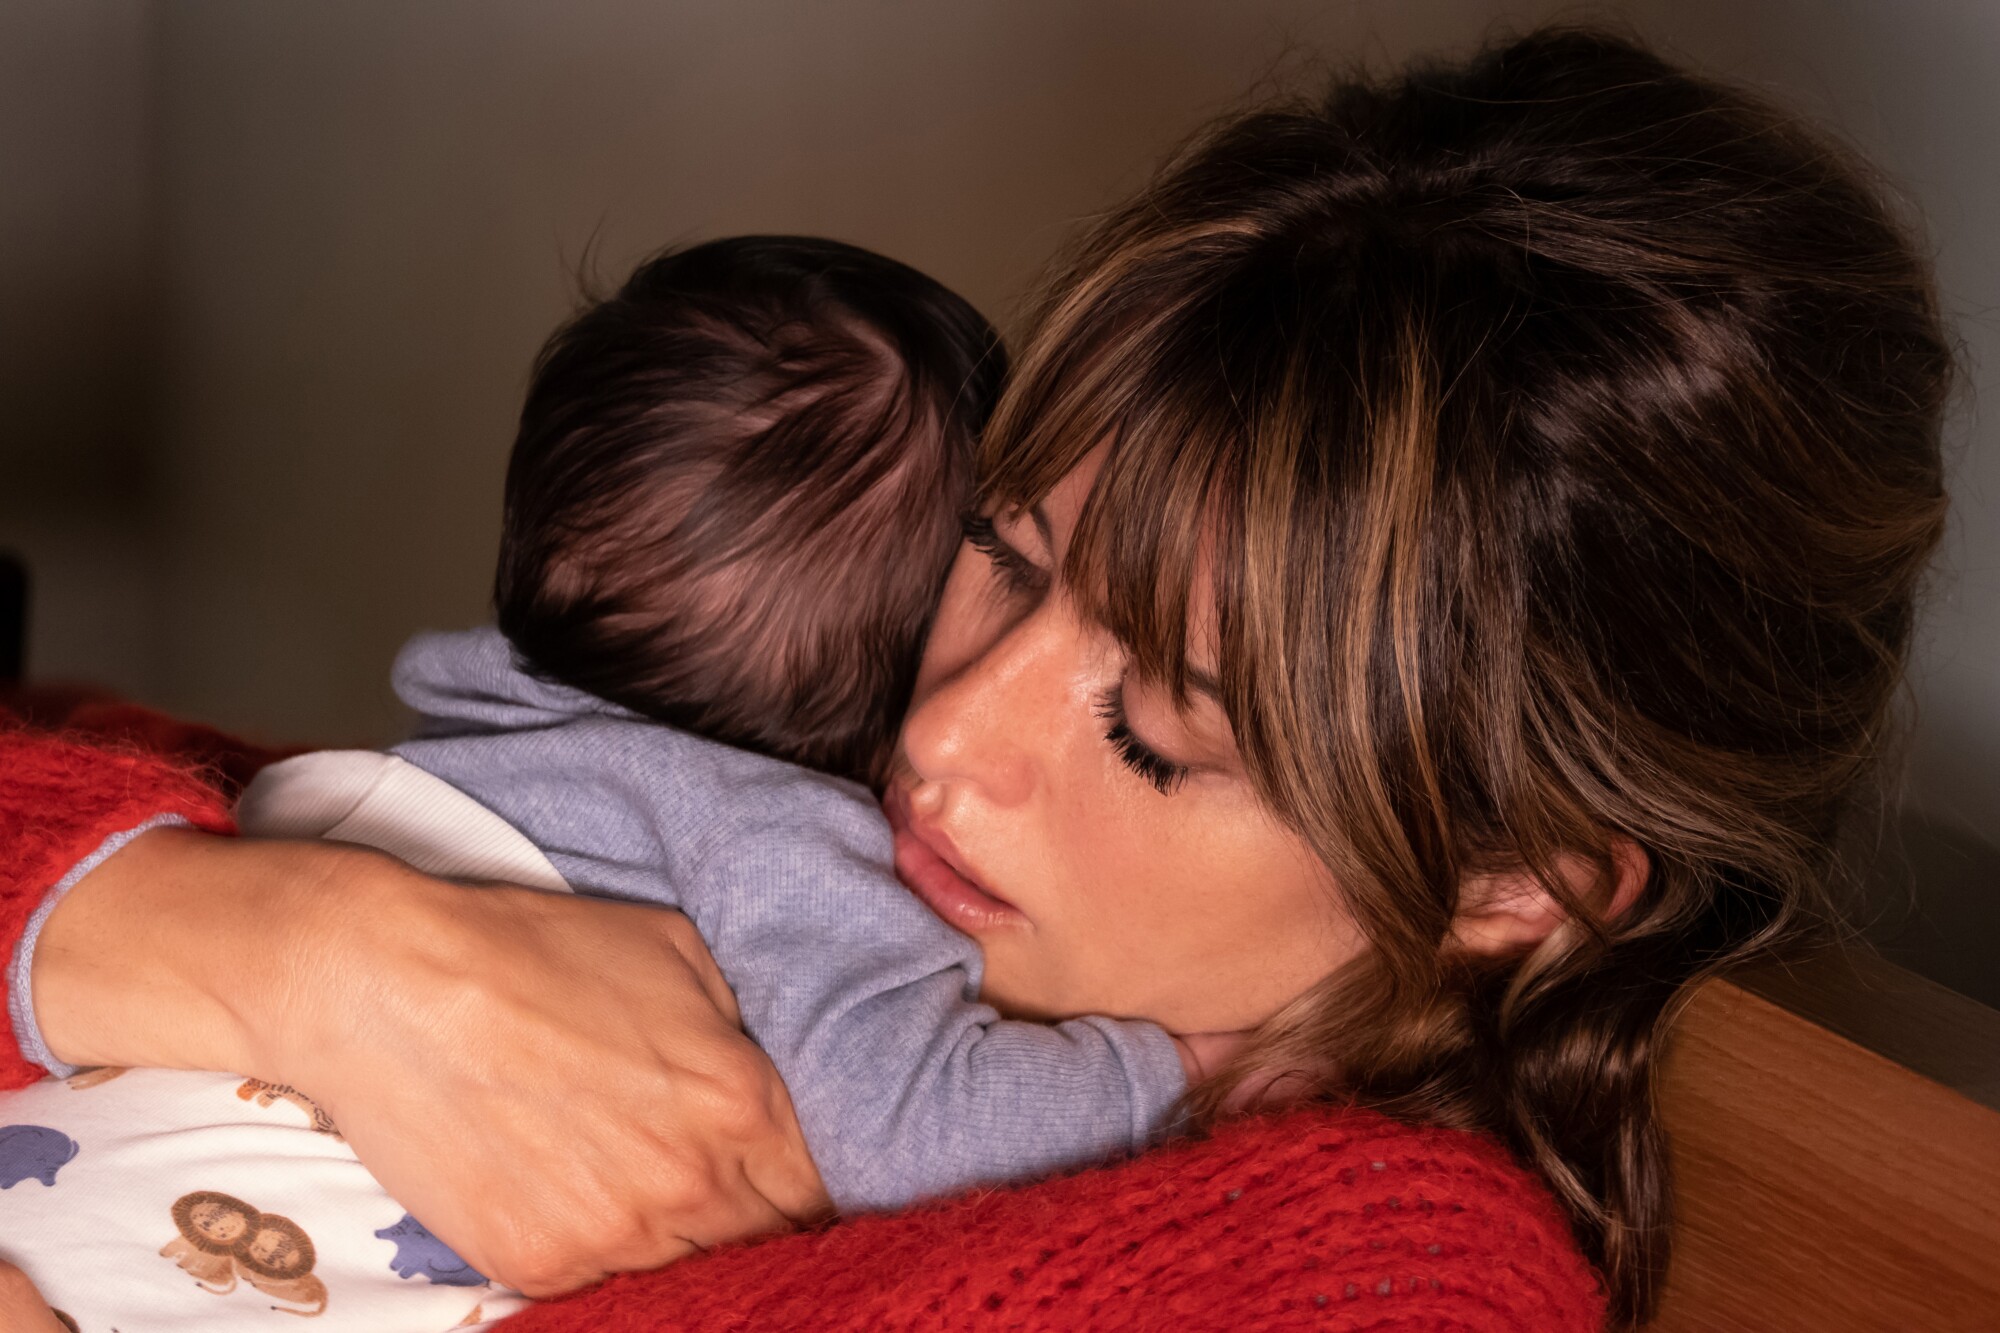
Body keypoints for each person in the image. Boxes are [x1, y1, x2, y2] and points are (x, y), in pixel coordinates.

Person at [0, 27, 1950, 1330]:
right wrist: (289, 943)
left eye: (1157, 731)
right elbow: (101, 761)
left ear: (1511, 879)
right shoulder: (849, 855)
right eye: (994, 563)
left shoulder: (1368, 1278)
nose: (941, 738)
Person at [0, 232, 1225, 1331]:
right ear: (897, 668)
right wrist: (1176, 1071)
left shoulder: (398, 763)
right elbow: (910, 1126)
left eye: (1153, 721)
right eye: (1003, 566)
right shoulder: (776, 847)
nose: (966, 730)